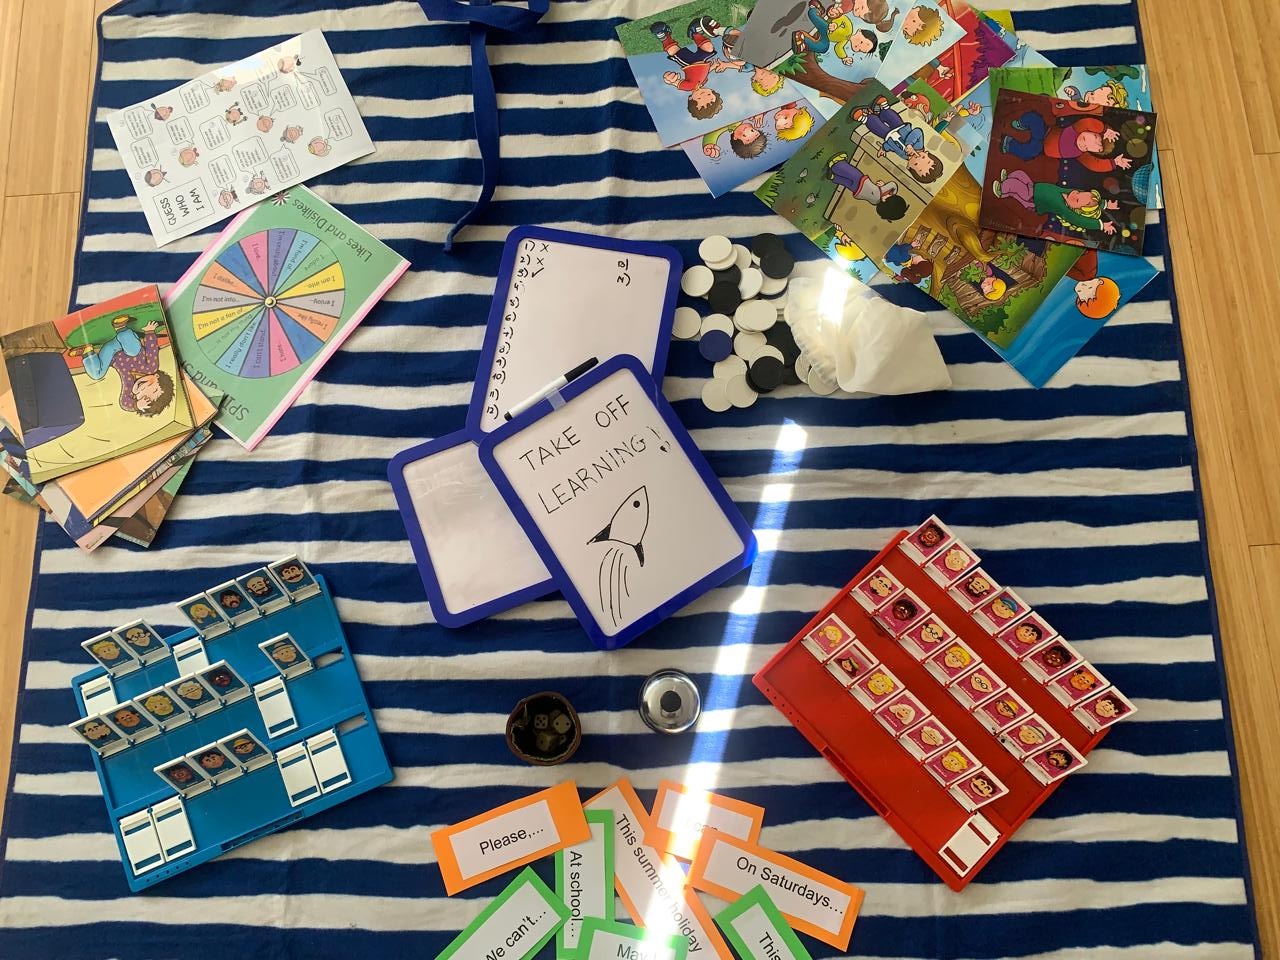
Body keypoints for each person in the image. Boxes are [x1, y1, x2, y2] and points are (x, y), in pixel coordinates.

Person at [66, 318, 175, 417]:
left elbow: (124, 403)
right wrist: (150, 332)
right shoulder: (151, 367)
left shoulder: (130, 388)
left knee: (97, 375)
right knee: (133, 351)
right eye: (154, 389)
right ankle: (121, 327)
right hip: (127, 344)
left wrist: (136, 405)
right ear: (157, 376)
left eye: (144, 398)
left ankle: (87, 352)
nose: (145, 390)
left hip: (111, 352)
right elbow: (152, 350)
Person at [652, 17, 737, 119]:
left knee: (672, 51)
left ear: (691, 98)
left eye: (700, 98)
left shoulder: (688, 87)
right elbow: (705, 74)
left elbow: (674, 82)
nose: (704, 94)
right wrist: (713, 66)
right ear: (712, 91)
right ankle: (694, 33)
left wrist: (670, 79)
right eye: (709, 95)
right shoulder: (703, 82)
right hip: (702, 60)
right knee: (709, 48)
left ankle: (665, 37)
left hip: (688, 63)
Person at [1000, 108, 1131, 173]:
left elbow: (1094, 164)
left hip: (1040, 148)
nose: (1085, 144)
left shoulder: (1081, 155)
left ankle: (1009, 144)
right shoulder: (1077, 128)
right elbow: (1088, 122)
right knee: (1034, 119)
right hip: (1045, 132)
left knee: (1030, 151)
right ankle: (1022, 123)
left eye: (1087, 147)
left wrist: (1114, 163)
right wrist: (1104, 130)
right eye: (1095, 137)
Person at [993, 169, 1119, 236]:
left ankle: (1003, 188)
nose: (1075, 194)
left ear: (1076, 209)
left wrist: (1100, 225)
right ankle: (1006, 188)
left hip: (1033, 199)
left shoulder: (1065, 210)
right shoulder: (1071, 194)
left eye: (1077, 199)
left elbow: (1080, 221)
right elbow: (1086, 197)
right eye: (1078, 193)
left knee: (1017, 187)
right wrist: (1105, 204)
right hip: (1035, 187)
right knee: (1020, 174)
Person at [852, 95, 942, 183]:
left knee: (877, 127)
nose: (916, 158)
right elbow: (917, 132)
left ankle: (864, 118)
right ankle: (884, 107)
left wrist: (883, 148)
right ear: (926, 153)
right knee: (890, 116)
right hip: (900, 126)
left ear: (909, 167)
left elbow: (893, 148)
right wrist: (909, 144)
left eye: (916, 164)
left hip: (887, 135)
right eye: (922, 157)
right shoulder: (919, 145)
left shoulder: (904, 155)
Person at [826, 153, 907, 221]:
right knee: (846, 182)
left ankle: (836, 164)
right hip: (857, 192)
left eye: (890, 197)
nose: (889, 195)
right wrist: (890, 193)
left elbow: (893, 184)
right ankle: (834, 177)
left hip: (861, 181)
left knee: (851, 172)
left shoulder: (880, 193)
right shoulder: (875, 202)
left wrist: (885, 187)